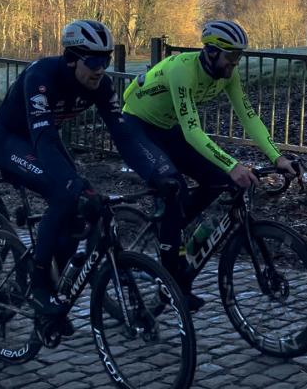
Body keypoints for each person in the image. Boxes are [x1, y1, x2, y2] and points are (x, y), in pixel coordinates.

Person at [119, 19, 297, 311]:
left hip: (167, 127)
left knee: (218, 180)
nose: (235, 64)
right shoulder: (181, 70)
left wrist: (277, 156)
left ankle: (171, 228)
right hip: (137, 125)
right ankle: (170, 279)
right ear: (212, 52)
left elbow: (248, 115)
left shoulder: (227, 74)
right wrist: (233, 164)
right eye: (232, 57)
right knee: (174, 188)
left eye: (239, 57)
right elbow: (193, 132)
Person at [0, 20, 148, 329]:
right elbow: (44, 139)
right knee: (66, 194)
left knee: (78, 213)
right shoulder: (41, 76)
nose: (100, 69)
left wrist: (156, 174)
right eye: (93, 61)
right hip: (13, 141)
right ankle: (39, 285)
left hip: (44, 141)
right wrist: (74, 186)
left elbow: (123, 135)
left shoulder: (100, 85)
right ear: (72, 58)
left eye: (106, 59)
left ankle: (53, 290)